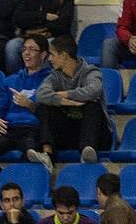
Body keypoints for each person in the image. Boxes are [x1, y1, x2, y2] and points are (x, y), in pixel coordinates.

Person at [0, 38, 53, 181]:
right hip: (7, 129)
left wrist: (30, 105)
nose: (27, 53)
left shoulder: (51, 79)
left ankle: (21, 185)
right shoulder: (11, 80)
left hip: (32, 129)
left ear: (44, 54)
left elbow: (51, 112)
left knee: (30, 153)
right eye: (24, 49)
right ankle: (2, 178)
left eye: (32, 49)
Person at [29, 36, 109, 171]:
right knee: (45, 107)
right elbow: (41, 94)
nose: (49, 59)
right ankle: (47, 154)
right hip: (70, 131)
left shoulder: (90, 71)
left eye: (52, 55)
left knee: (92, 105)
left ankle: (88, 152)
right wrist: (70, 103)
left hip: (96, 134)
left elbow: (93, 90)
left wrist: (65, 94)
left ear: (64, 56)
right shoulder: (55, 76)